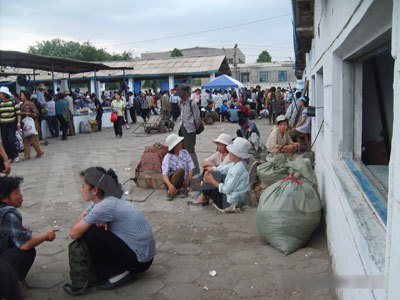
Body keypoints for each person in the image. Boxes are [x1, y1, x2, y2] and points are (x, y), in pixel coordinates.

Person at [67, 167, 155, 290]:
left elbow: (74, 233)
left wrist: (86, 218)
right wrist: (88, 217)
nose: (81, 189)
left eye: (83, 186)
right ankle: (113, 269)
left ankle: (117, 274)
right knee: (92, 227)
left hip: (140, 262)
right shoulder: (104, 200)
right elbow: (77, 227)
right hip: (144, 256)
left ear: (95, 190)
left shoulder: (105, 205)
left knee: (90, 233)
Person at [0, 176, 57, 283]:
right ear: (3, 198)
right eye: (16, 193)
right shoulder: (8, 214)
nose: (21, 196)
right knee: (27, 252)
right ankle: (11, 284)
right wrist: (45, 235)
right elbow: (24, 244)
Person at [202, 137, 251, 211]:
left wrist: (212, 181)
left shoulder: (237, 169)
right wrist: (212, 169)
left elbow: (227, 189)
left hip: (229, 201)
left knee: (207, 186)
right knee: (212, 177)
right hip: (234, 197)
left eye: (230, 152)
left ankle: (203, 198)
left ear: (236, 154)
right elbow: (224, 168)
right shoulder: (237, 164)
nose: (229, 153)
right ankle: (203, 196)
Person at [188, 133, 232, 206]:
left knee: (210, 171)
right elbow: (203, 162)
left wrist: (212, 167)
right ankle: (204, 195)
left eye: (220, 144)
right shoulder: (218, 154)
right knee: (207, 171)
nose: (218, 146)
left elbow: (220, 169)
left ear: (226, 146)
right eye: (218, 144)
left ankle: (203, 196)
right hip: (218, 177)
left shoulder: (229, 157)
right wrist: (212, 166)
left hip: (225, 179)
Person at [176, 84, 201, 174]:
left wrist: (195, 128)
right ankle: (186, 169)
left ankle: (195, 171)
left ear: (187, 94)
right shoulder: (181, 103)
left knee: (190, 151)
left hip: (190, 130)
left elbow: (197, 118)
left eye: (182, 94)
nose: (180, 96)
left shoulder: (192, 103)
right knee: (182, 150)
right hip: (182, 128)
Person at [161, 133, 195, 200]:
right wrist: (169, 185)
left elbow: (191, 167)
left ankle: (179, 189)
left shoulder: (185, 152)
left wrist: (188, 179)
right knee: (180, 170)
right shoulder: (168, 157)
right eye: (179, 142)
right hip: (173, 181)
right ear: (175, 146)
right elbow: (164, 174)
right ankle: (173, 189)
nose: (181, 143)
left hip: (184, 180)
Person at [19, 91, 44, 160]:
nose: (21, 97)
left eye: (22, 95)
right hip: (24, 123)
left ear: (26, 96)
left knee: (33, 139)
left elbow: (36, 113)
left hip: (31, 123)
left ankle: (39, 151)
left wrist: (27, 114)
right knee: (25, 140)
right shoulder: (21, 105)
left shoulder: (31, 104)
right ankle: (27, 155)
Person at [0, 86, 21, 163]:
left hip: (11, 124)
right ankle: (9, 156)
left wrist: (18, 122)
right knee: (5, 141)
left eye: (1, 93)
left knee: (11, 140)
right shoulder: (1, 104)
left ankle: (15, 155)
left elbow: (18, 113)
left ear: (5, 94)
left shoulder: (13, 102)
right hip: (3, 124)